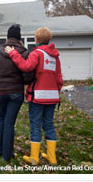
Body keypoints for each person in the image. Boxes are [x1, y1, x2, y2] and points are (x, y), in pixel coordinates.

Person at [4, 27, 63, 165]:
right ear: (49, 40)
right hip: (52, 97)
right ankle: (51, 157)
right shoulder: (55, 57)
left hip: (38, 96)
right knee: (49, 124)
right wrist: (56, 92)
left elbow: (25, 66)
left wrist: (13, 53)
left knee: (36, 125)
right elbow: (59, 79)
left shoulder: (37, 53)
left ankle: (34, 158)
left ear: (36, 39)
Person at [0, 24, 33, 162]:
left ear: (7, 37)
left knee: (2, 119)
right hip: (15, 93)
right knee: (9, 123)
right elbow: (28, 75)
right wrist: (20, 82)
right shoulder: (24, 53)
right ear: (19, 38)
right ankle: (6, 156)